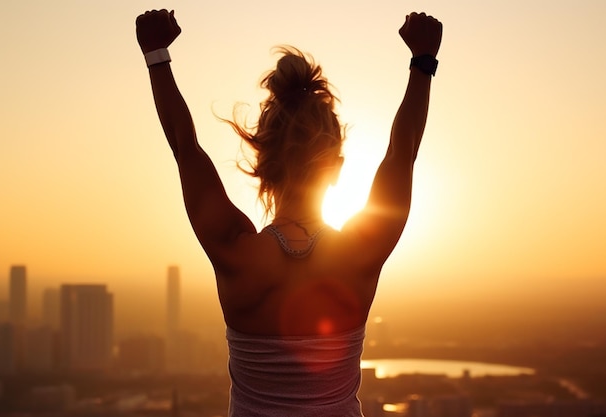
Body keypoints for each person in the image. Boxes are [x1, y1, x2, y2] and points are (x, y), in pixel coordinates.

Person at [136, 8, 442, 417]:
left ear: (262, 160)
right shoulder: (360, 251)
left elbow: (184, 147)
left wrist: (157, 55)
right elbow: (402, 154)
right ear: (335, 165)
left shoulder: (234, 250)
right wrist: (422, 62)